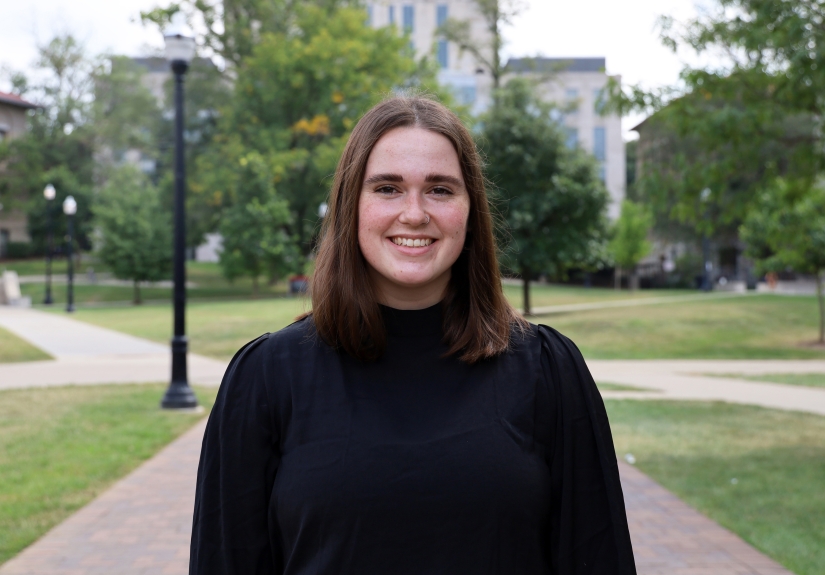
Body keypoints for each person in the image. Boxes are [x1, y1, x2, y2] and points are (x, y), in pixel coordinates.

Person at [190, 96, 636, 575]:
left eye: (440, 189)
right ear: (350, 206)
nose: (415, 213)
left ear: (470, 209)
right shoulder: (266, 378)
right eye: (387, 188)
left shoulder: (549, 370)